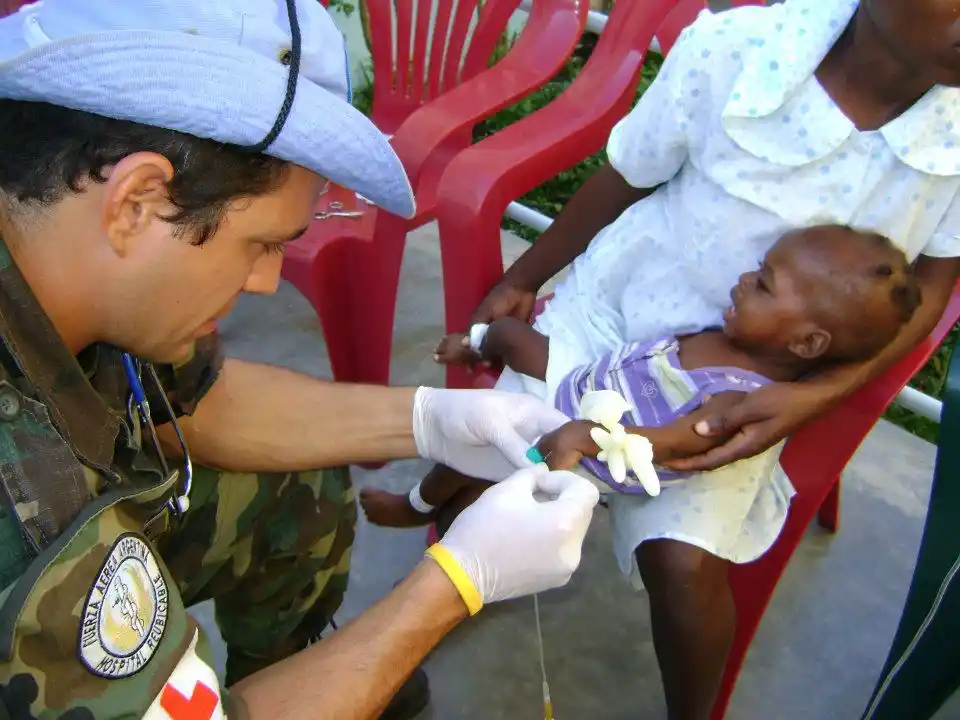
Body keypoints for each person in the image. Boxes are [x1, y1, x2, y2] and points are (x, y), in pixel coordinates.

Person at [0, 1, 602, 719]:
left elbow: (205, 401)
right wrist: (451, 587)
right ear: (136, 200)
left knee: (297, 482)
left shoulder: (68, 266)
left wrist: (434, 419)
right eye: (261, 243)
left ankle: (312, 672)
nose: (265, 280)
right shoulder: (24, 506)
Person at [439, 0, 960, 717]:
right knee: (494, 445)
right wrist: (523, 276)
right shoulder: (739, 51)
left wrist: (812, 397)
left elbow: (933, 288)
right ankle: (440, 577)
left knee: (683, 563)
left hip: (747, 385)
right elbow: (628, 174)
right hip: (615, 319)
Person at [361, 224, 922, 524]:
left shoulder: (743, 395)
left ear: (806, 342)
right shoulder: (730, 331)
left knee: (475, 442)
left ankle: (419, 505)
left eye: (765, 284)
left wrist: (591, 436)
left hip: (600, 448)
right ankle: (475, 345)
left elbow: (674, 443)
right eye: (758, 268)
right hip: (585, 387)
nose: (745, 279)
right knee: (509, 335)